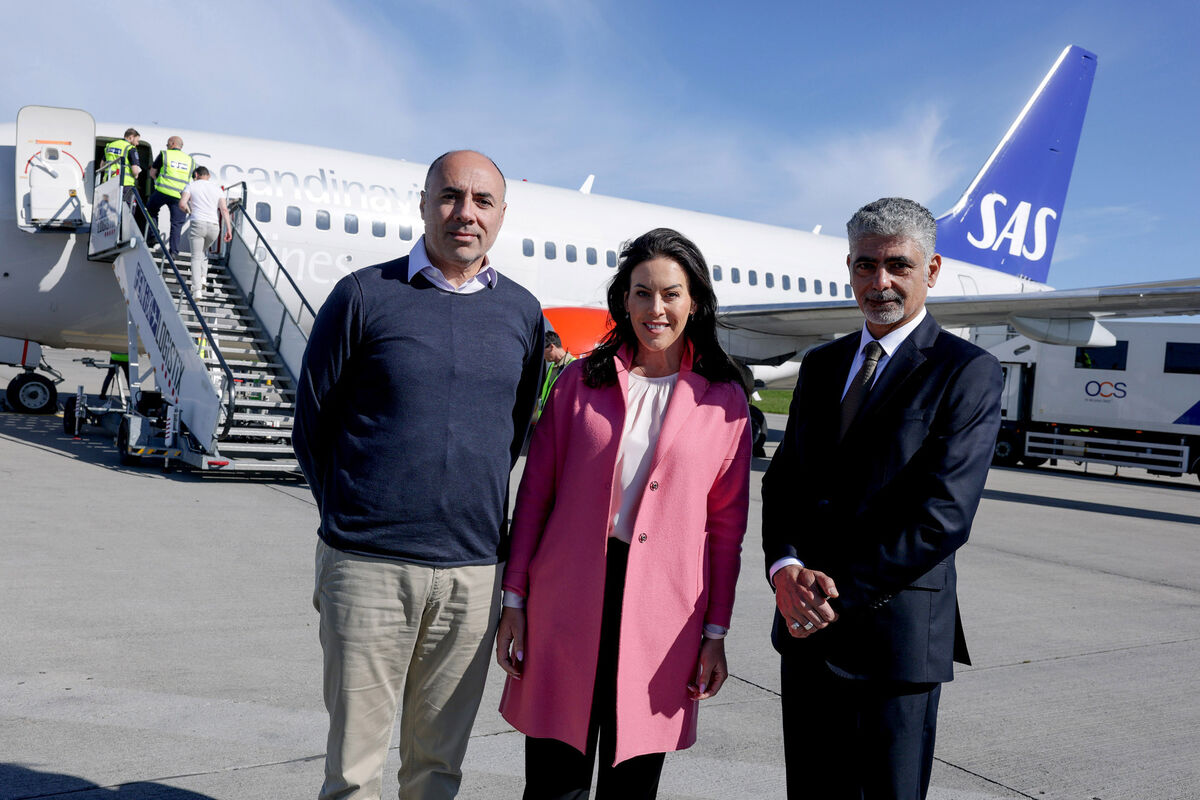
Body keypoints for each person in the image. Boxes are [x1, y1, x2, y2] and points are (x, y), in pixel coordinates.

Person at [293, 150, 545, 800]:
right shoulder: (362, 296)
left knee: (438, 771)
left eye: (482, 201)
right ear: (425, 203)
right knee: (352, 771)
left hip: (471, 576)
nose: (466, 213)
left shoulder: (523, 313)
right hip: (367, 569)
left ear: (501, 215)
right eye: (450, 197)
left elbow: (510, 433)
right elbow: (312, 425)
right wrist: (357, 517)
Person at [496, 227, 752, 799]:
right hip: (567, 601)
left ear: (694, 301)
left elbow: (727, 530)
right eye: (641, 293)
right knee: (553, 783)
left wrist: (717, 631)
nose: (655, 308)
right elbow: (534, 496)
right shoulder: (579, 382)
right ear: (624, 299)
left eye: (670, 293)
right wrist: (514, 600)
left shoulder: (723, 398)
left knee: (631, 785)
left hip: (664, 616)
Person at [762, 197, 1003, 800]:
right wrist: (784, 567)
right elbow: (783, 481)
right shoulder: (821, 365)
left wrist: (834, 595)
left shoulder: (966, 370)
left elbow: (943, 516)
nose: (880, 281)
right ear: (849, 267)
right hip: (806, 629)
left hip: (895, 636)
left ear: (933, 269)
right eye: (866, 265)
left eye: (898, 264)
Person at [179, 167, 234, 299]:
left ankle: (197, 289)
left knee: (196, 256)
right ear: (208, 176)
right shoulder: (217, 189)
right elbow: (224, 210)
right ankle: (203, 277)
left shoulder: (191, 185)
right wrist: (229, 229)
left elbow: (182, 203)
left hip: (198, 223)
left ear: (196, 175)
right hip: (214, 227)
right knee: (204, 251)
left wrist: (188, 211)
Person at [145, 136, 195, 257]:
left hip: (163, 191)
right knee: (176, 224)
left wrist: (157, 181)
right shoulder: (190, 160)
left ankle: (153, 236)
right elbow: (191, 179)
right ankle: (173, 252)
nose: (166, 146)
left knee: (150, 209)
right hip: (179, 195)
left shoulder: (165, 154)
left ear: (172, 144)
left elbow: (152, 172)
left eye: (167, 144)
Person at [534, 330, 574, 423]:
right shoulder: (553, 366)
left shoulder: (572, 367)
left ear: (551, 347)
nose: (543, 356)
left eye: (542, 351)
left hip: (561, 423)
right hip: (548, 421)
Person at [102, 128, 142, 207]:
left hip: (108, 182)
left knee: (110, 208)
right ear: (131, 137)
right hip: (125, 184)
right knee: (129, 208)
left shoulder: (110, 146)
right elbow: (135, 170)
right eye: (137, 140)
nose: (137, 143)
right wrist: (136, 175)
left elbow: (102, 165)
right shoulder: (130, 148)